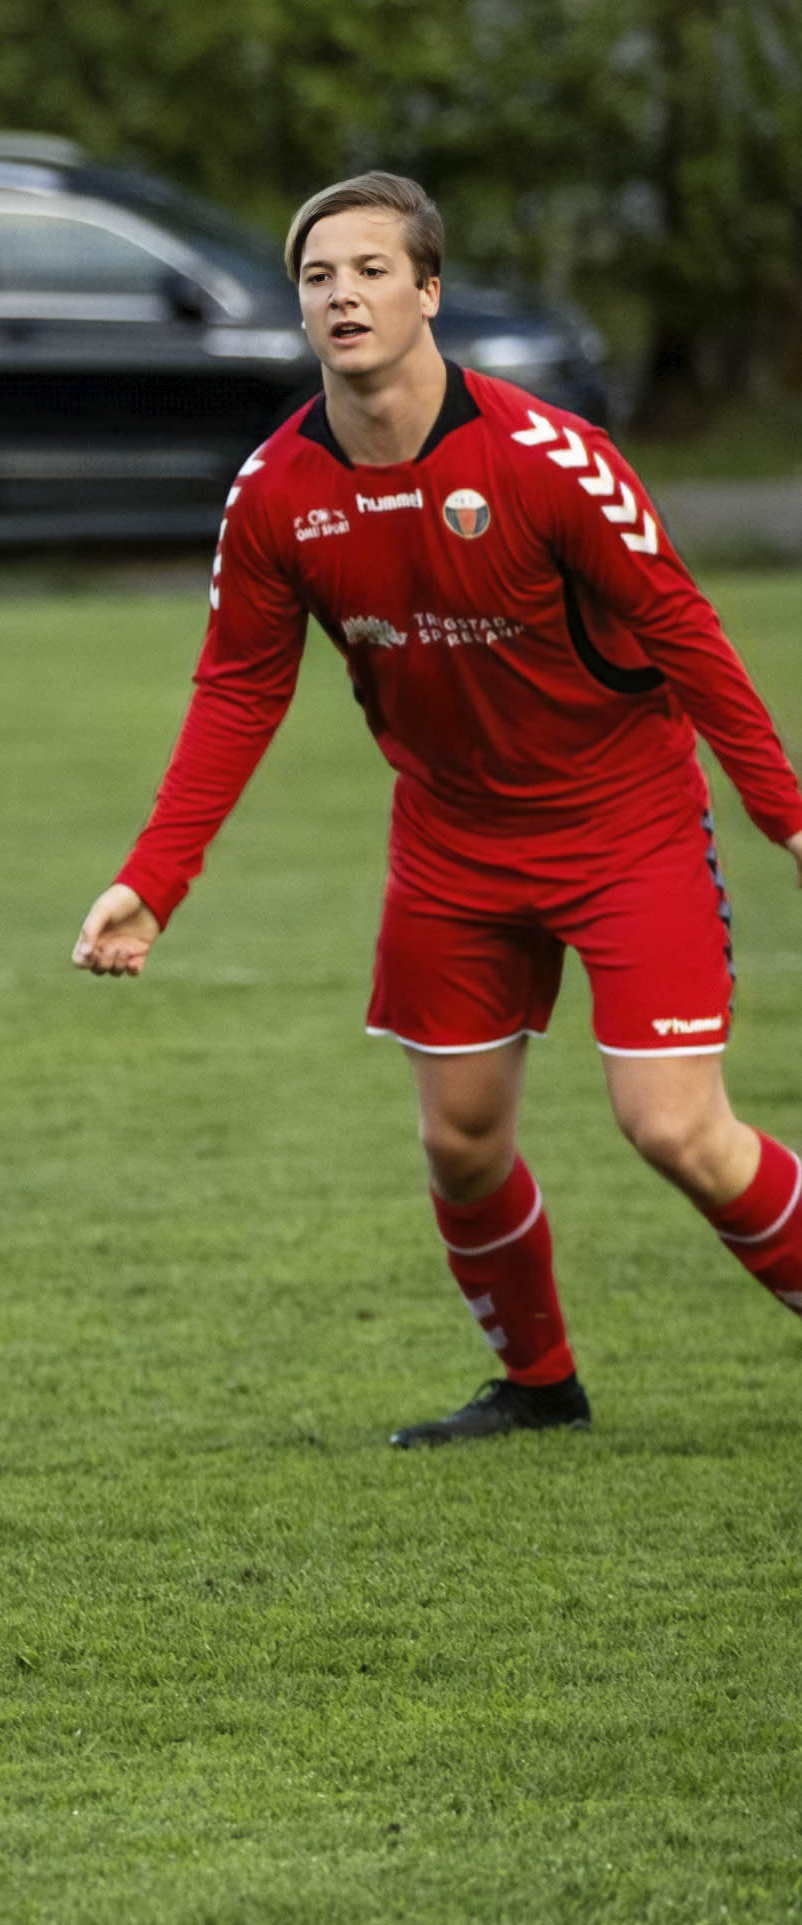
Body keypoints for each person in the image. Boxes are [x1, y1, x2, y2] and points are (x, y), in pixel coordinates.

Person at [74, 172, 802, 1448]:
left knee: (673, 1127)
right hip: (451, 843)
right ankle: (536, 1388)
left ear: (427, 292)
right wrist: (154, 878)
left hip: (621, 824)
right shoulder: (274, 495)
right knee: (460, 1146)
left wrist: (783, 812)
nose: (340, 294)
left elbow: (683, 632)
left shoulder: (544, 459)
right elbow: (235, 694)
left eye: (367, 269)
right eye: (315, 276)